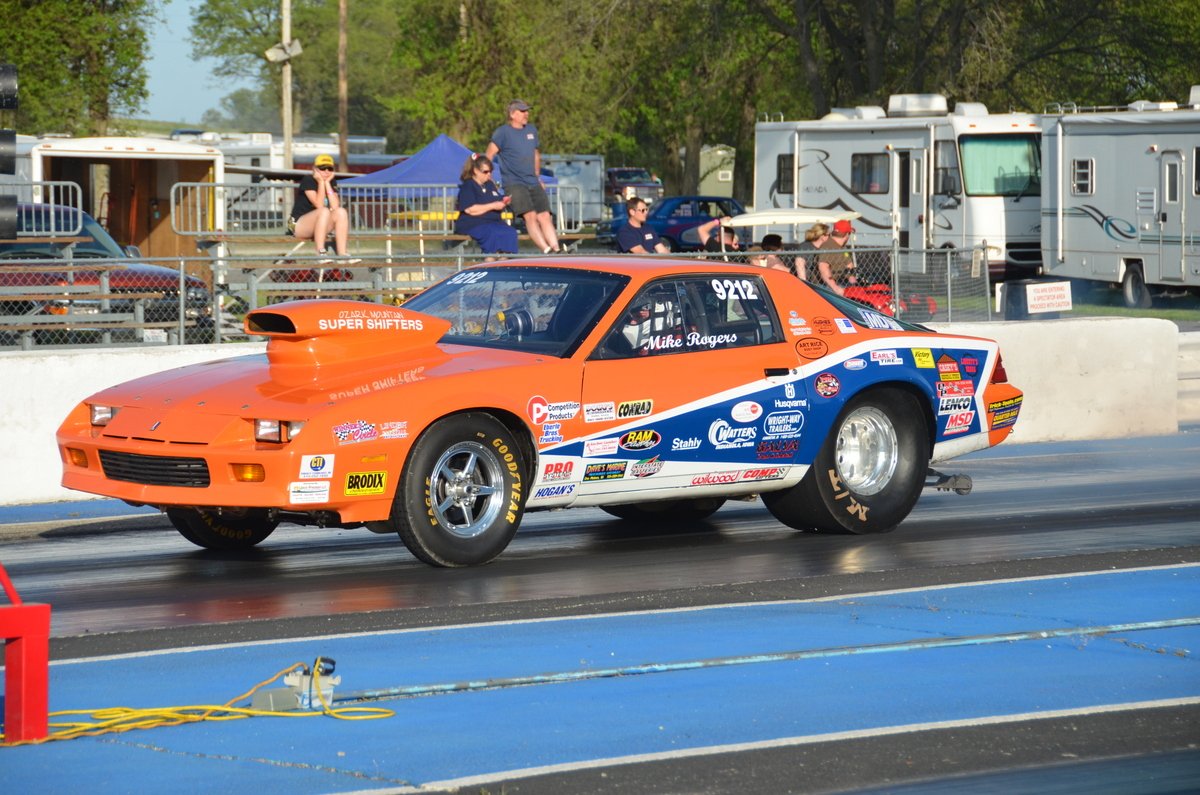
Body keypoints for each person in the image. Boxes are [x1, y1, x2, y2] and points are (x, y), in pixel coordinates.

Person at [485, 99, 562, 254]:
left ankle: (557, 250)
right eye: (522, 111)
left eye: (527, 110)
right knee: (530, 216)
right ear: (512, 114)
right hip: (514, 183)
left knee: (545, 216)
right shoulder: (502, 133)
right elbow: (489, 154)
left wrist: (538, 176)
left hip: (532, 181)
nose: (526, 114)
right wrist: (489, 177)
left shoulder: (531, 130)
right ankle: (547, 250)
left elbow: (535, 153)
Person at [289, 154, 359, 263]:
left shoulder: (331, 181)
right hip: (297, 225)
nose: (326, 171)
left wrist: (327, 183)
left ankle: (342, 254)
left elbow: (335, 206)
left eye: (330, 168)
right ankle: (320, 253)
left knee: (341, 212)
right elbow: (319, 204)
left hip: (319, 224)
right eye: (322, 168)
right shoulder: (308, 180)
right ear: (315, 169)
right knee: (324, 211)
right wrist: (321, 182)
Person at [454, 154, 518, 259]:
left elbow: (496, 199)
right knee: (492, 234)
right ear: (475, 170)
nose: (489, 175)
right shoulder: (468, 186)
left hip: (493, 222)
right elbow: (470, 209)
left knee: (510, 232)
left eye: (490, 171)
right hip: (473, 223)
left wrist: (503, 201)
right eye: (485, 172)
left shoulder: (490, 185)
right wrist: (493, 206)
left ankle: (503, 264)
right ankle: (489, 264)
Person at [816, 219, 857, 296]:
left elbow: (849, 266)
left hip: (844, 283)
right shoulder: (828, 246)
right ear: (847, 234)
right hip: (828, 287)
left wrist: (855, 286)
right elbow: (823, 267)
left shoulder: (842, 248)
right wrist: (836, 288)